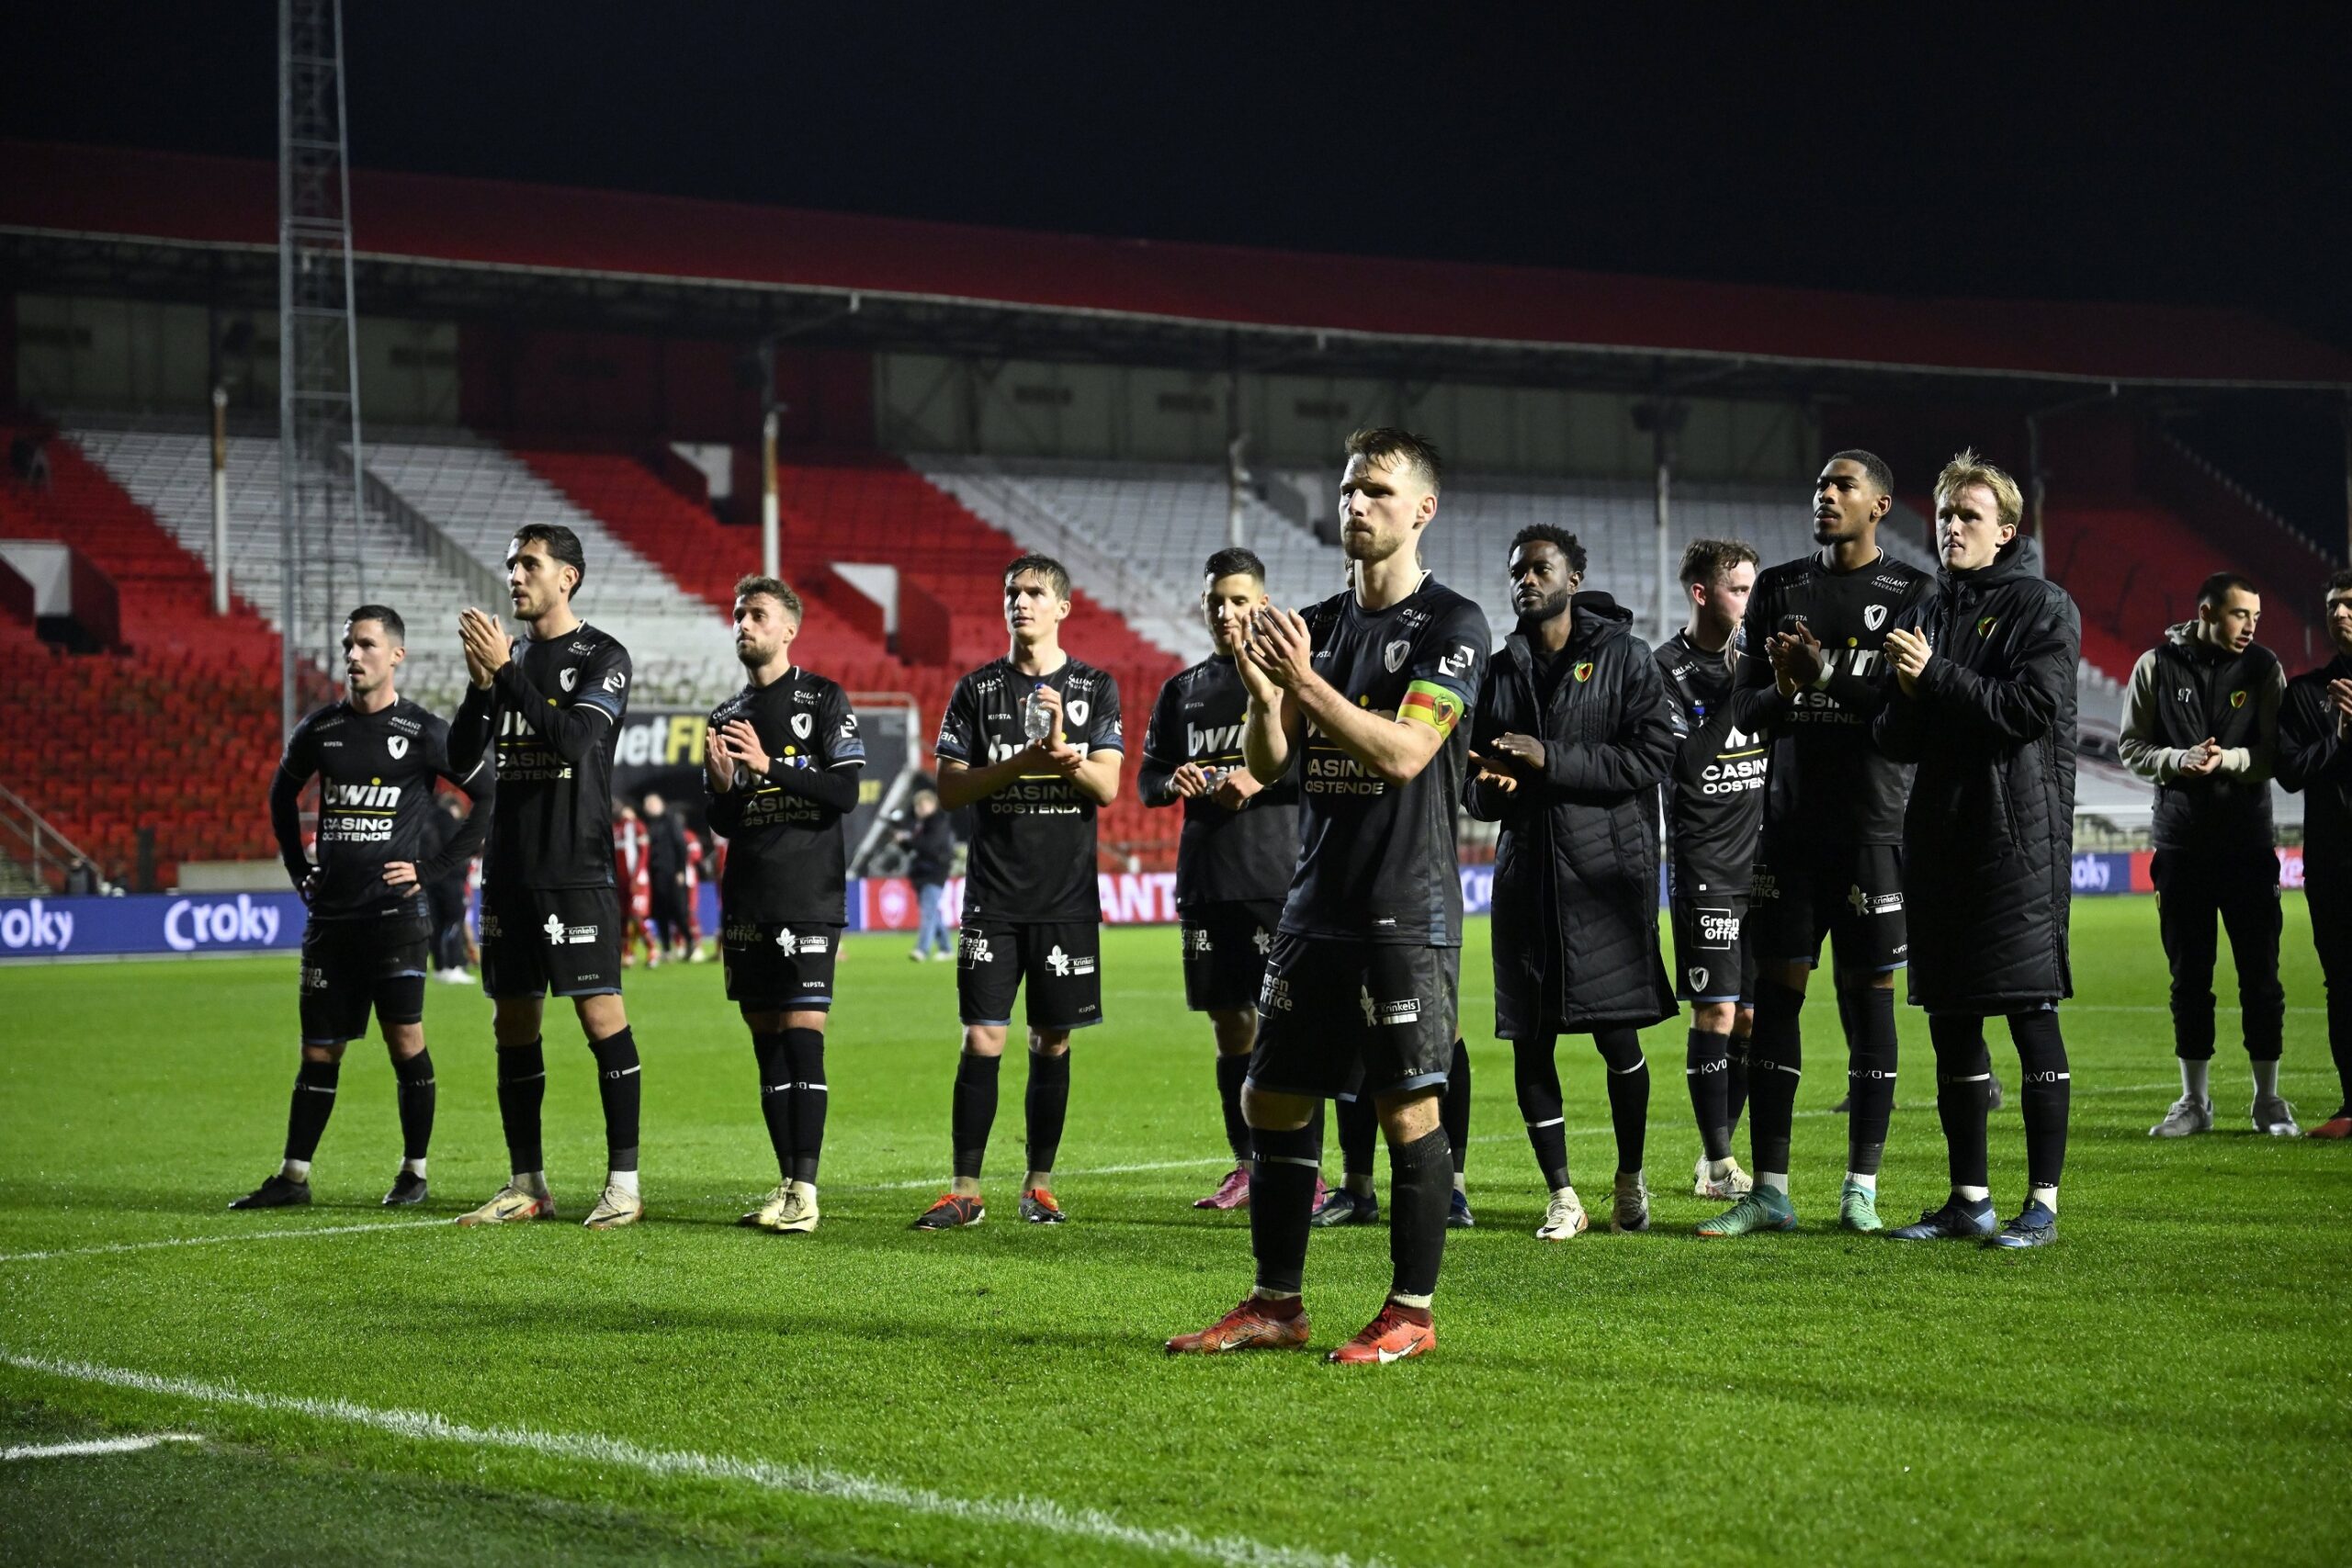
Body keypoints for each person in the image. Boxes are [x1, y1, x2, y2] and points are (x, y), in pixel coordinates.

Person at [1167, 427, 1488, 1365]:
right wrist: (1270, 700)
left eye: (1377, 492)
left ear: (1421, 509)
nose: (1356, 505)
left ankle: (1411, 1313)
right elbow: (1271, 767)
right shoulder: (1315, 619)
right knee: (1272, 1095)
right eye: (1349, 490)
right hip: (1311, 904)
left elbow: (1404, 754)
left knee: (1403, 1109)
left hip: (1404, 904)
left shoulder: (1451, 626)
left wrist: (1302, 680)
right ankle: (1276, 1303)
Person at [1700, 450, 1933, 1238]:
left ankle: (1859, 1188)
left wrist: (1824, 673)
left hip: (1872, 831)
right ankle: (1769, 1188)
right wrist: (1790, 687)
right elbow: (1746, 714)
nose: (1825, 496)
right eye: (1821, 485)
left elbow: (1902, 718)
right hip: (1790, 834)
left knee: (1872, 1007)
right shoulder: (1779, 588)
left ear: (1881, 506)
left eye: (1844, 487)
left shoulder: (1913, 594)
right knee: (1777, 1004)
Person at [1875, 452, 2079, 1247]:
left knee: (2030, 1010)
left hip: (2017, 837)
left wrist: (1937, 674)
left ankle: (2045, 1204)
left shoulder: (2044, 606)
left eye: (1969, 515)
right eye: (1946, 514)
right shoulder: (1931, 606)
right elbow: (1896, 738)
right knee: (1952, 1021)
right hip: (1941, 837)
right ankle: (1971, 1200)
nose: (1952, 527)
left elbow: (2028, 708)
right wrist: (1902, 690)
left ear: (2006, 529)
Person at [232, 604, 490, 1210]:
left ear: (395, 655)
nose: (353, 654)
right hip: (331, 922)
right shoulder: (322, 729)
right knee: (319, 1051)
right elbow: (279, 796)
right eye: (348, 644)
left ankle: (414, 1171)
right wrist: (300, 870)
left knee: (405, 1041)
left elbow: (487, 796)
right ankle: (293, 1177)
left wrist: (430, 870)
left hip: (395, 919)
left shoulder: (424, 731)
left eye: (366, 644)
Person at [1466, 526, 1679, 1240]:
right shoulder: (1499, 670)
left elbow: (1650, 756)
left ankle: (1629, 1178)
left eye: (1540, 567)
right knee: (1530, 1041)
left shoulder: (1626, 656)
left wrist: (1548, 756)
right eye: (1518, 569)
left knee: (1620, 1040)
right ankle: (1562, 1194)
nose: (1526, 578)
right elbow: (1474, 780)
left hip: (1604, 878)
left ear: (1574, 577)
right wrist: (1489, 792)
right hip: (1527, 879)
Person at [913, 554, 1124, 1229]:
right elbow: (949, 788)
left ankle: (1039, 1184)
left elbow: (1109, 787)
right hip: (993, 898)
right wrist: (1020, 762)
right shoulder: (976, 692)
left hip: (1065, 900)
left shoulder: (1096, 686)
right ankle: (965, 1188)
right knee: (982, 1036)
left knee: (1052, 1041)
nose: (1021, 602)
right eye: (1013, 592)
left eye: (1035, 593)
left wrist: (1067, 755)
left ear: (1063, 607)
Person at [449, 524, 647, 1229]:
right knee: (512, 1022)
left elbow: (572, 741)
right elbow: (462, 757)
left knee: (600, 1018)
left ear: (568, 576)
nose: (515, 576)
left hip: (574, 866)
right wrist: (481, 689)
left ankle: (623, 1183)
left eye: (529, 563)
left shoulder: (603, 655)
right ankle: (525, 1181)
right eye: (510, 564)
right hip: (507, 868)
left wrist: (506, 673)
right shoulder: (507, 659)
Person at [1139, 546, 1306, 1212]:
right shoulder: (1182, 690)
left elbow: (1310, 765)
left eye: (1240, 599)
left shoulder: (1289, 679)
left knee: (1284, 1026)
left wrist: (1256, 775)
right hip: (1208, 877)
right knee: (1229, 1027)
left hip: (1275, 876)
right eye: (1217, 600)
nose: (1228, 611)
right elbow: (1149, 777)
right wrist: (1172, 781)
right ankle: (1246, 1165)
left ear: (1262, 604)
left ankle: (1301, 1168)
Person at [705, 574, 865, 1235]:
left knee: (803, 1037)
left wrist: (769, 766)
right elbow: (725, 820)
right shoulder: (722, 715)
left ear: (788, 628)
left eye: (757, 614)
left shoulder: (824, 698)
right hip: (748, 896)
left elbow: (845, 792)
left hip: (807, 896)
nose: (743, 623)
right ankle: (787, 1183)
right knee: (766, 1043)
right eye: (739, 613)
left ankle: (807, 1186)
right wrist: (722, 789)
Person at [2120, 571, 2295, 1136]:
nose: (2251, 627)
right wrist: (2178, 759)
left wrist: (2231, 761)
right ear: (2206, 611)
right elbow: (2131, 746)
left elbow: (2278, 753)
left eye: (2257, 617)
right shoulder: (2155, 665)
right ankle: (2194, 1103)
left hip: (2247, 845)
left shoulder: (2265, 668)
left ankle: (2268, 1101)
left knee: (2261, 978)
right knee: (2190, 978)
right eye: (2241, 614)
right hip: (2182, 845)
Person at [1654, 538, 1768, 1201]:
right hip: (1705, 869)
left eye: (1752, 588)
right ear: (1702, 593)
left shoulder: (1760, 662)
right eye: (1738, 589)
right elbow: (1688, 766)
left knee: (1751, 1018)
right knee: (1716, 1014)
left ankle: (1713, 1159)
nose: (1749, 602)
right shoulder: (1665, 669)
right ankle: (1721, 1162)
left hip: (1762, 868)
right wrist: (1737, 684)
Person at [2276, 570, 2352, 1140]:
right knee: (2342, 984)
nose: (2341, 615)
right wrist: (2341, 737)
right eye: (2333, 606)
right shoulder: (2305, 694)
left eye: (2351, 605)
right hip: (2333, 865)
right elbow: (2292, 772)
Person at [424, 793, 476, 984]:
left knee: (437, 925)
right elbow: (460, 849)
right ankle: (453, 965)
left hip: (432, 880)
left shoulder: (427, 820)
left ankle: (440, 967)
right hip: (451, 881)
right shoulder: (448, 824)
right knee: (454, 922)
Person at [901, 789, 956, 961]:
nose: (919, 809)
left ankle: (922, 950)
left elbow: (928, 847)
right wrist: (903, 842)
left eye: (923, 805)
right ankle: (946, 948)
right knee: (932, 912)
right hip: (922, 874)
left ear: (933, 805)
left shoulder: (938, 822)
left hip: (934, 873)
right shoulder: (922, 824)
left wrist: (908, 840)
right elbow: (915, 848)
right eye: (918, 806)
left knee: (928, 912)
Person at [641, 791, 693, 961]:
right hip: (656, 875)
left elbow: (680, 845)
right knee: (660, 913)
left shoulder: (671, 820)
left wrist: (680, 870)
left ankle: (690, 943)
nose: (649, 808)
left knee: (679, 911)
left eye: (652, 804)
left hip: (672, 873)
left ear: (661, 804)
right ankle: (666, 949)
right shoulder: (650, 824)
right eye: (647, 805)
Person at [613, 803, 655, 969]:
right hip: (620, 881)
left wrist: (637, 876)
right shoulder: (613, 827)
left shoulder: (637, 826)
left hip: (638, 880)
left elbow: (644, 852)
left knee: (637, 916)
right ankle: (628, 952)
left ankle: (652, 950)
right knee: (623, 917)